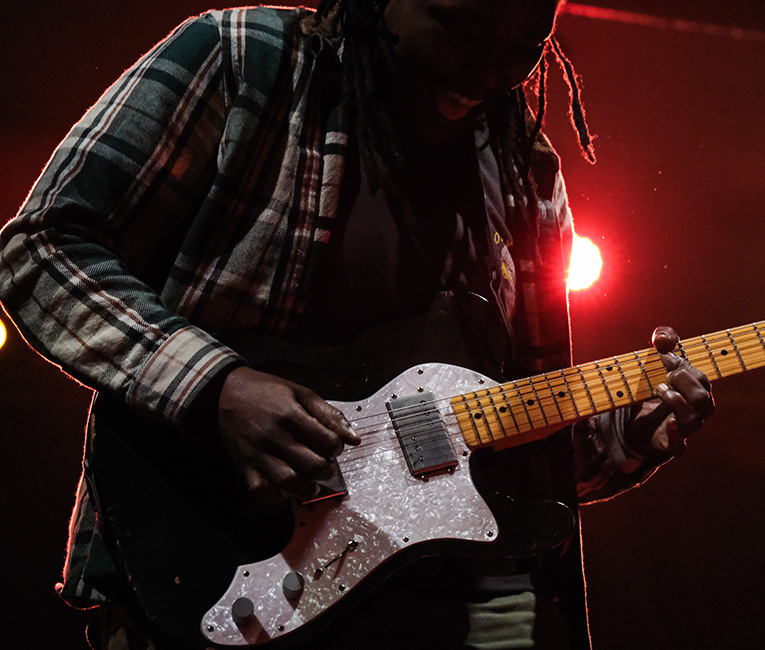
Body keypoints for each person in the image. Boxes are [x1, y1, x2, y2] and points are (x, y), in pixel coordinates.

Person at [0, 0, 714, 648]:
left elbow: (513, 456)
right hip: (208, 575)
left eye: (526, 45)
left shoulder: (525, 169)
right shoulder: (243, 59)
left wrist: (628, 435)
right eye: (463, 28)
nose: (491, 70)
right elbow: (39, 250)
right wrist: (217, 387)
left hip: (441, 616)